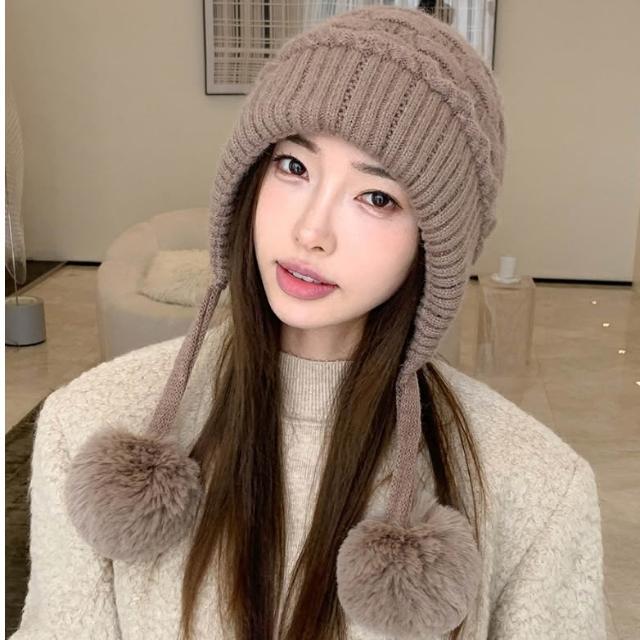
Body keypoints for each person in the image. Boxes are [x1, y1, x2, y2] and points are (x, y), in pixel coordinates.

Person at [11, 5, 606, 640]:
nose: (311, 232)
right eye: (294, 167)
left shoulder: (537, 487)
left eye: (376, 197)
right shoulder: (87, 424)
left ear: (436, 242)